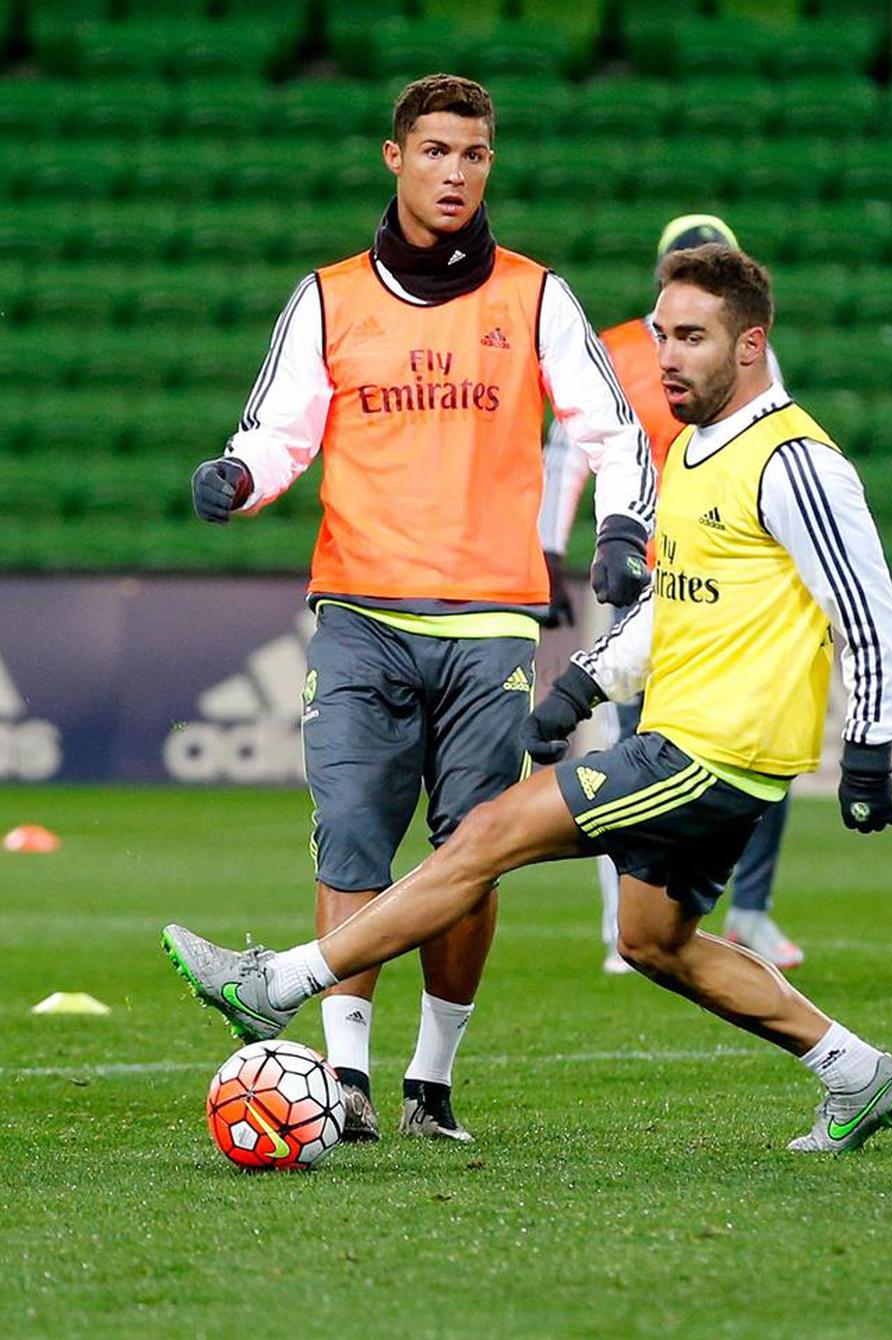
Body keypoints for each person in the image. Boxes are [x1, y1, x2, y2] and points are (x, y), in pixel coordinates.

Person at [165, 245, 892, 1154]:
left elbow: (866, 606)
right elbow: (669, 606)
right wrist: (580, 686)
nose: (666, 357)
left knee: (483, 834)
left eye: (692, 338)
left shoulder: (796, 461)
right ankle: (856, 1070)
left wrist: (873, 747)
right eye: (659, 336)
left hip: (713, 752)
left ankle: (275, 985)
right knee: (654, 942)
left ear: (750, 346)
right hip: (694, 745)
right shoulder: (692, 453)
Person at [186, 74, 654, 1144]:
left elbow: (612, 428)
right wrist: (239, 476)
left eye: (474, 154)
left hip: (491, 616)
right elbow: (280, 431)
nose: (455, 172)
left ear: (490, 164)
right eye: (435, 151)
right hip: (357, 606)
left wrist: (620, 528)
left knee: (467, 851)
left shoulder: (536, 295)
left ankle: (429, 1079)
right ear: (393, 157)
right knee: (349, 836)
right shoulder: (329, 295)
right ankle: (343, 1076)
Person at [540, 214, 801, 974]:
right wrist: (552, 552)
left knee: (754, 746)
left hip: (732, 578)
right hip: (646, 576)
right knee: (635, 747)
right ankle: (628, 918)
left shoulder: (751, 351)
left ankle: (748, 910)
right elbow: (569, 453)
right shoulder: (622, 350)